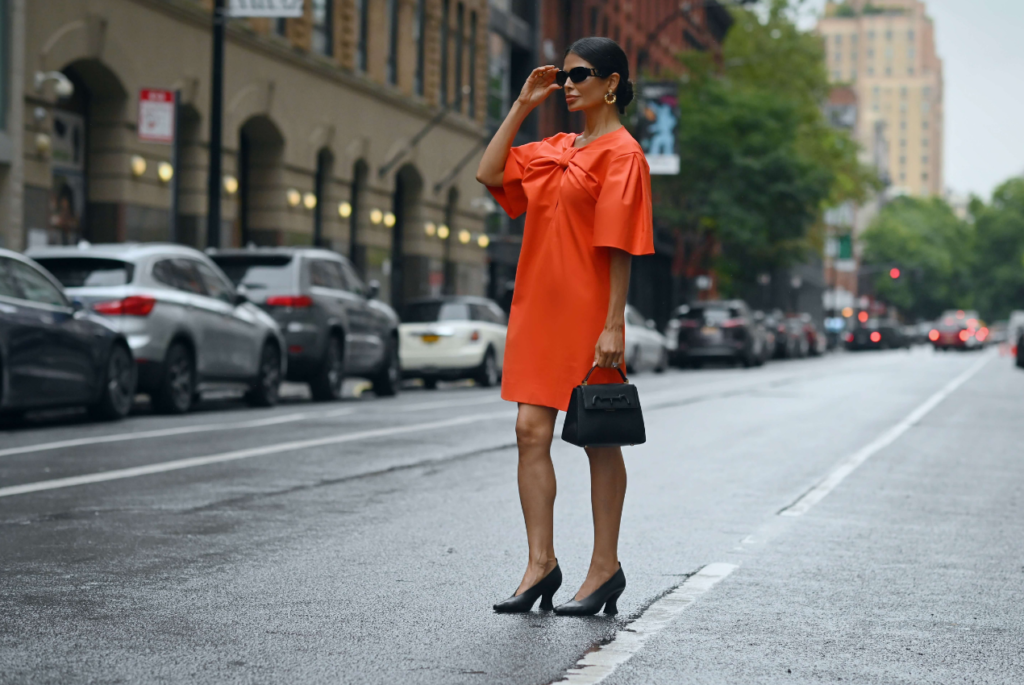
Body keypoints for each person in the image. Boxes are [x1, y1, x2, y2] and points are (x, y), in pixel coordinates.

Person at [475, 37, 654, 616]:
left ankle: (605, 569)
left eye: (580, 75)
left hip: (587, 314)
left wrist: (613, 323)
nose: (568, 84)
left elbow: (620, 244)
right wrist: (524, 103)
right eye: (564, 76)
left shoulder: (623, 155)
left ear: (612, 83)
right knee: (530, 431)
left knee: (599, 439)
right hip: (536, 309)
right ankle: (540, 565)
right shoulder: (555, 146)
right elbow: (489, 171)